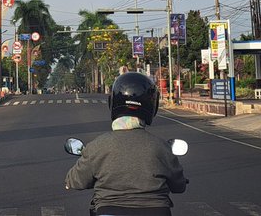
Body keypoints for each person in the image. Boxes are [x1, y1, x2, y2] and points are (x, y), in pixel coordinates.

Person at [65, 72, 187, 216]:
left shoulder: (96, 146)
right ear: (152, 105)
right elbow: (179, 186)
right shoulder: (162, 147)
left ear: (112, 102)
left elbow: (75, 181)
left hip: (108, 210)